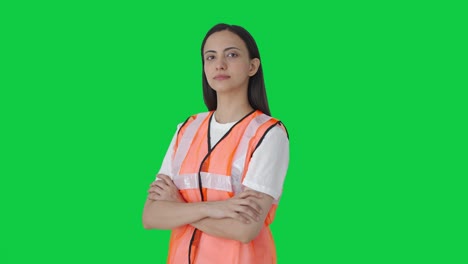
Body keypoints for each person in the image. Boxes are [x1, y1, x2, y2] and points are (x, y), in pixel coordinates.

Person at [142, 23, 290, 264]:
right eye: (210, 57)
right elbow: (151, 216)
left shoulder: (269, 134)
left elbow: (245, 230)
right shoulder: (186, 129)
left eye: (231, 54)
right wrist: (215, 209)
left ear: (252, 66)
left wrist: (179, 207)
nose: (219, 64)